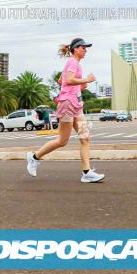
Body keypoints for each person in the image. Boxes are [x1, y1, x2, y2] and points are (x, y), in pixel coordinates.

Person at [26, 38, 104, 183]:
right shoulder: (72, 62)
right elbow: (68, 79)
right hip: (67, 104)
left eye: (86, 48)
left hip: (76, 106)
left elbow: (61, 81)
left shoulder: (74, 64)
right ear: (75, 49)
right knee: (63, 141)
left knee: (84, 137)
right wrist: (86, 80)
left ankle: (86, 173)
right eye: (83, 47)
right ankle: (34, 157)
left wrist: (78, 87)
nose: (85, 50)